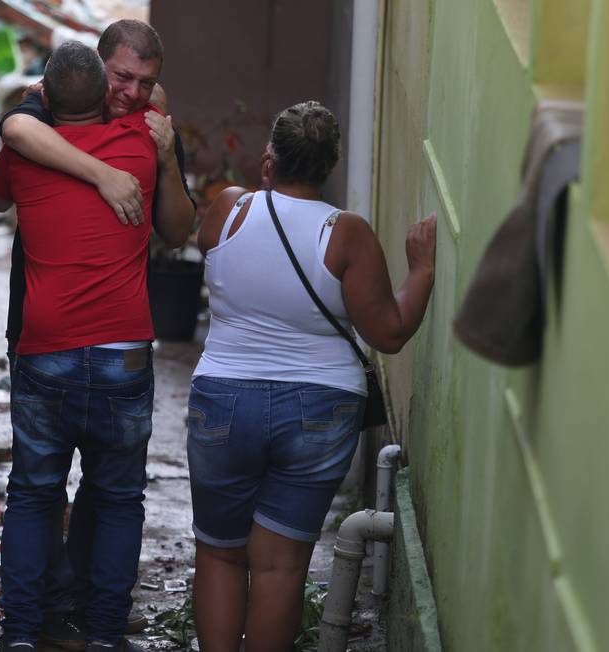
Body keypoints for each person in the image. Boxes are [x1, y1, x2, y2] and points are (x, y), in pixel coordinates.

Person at [186, 101, 437, 651]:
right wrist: (422, 270)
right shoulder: (346, 234)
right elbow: (389, 332)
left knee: (220, 552)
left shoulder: (227, 208)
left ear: (269, 159)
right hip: (320, 410)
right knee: (278, 568)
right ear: (330, 166)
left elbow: (210, 249)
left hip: (224, 400)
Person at [0, 19, 195, 651]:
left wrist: (162, 154)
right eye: (122, 77)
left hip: (48, 349)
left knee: (34, 494)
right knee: (116, 499)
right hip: (120, 357)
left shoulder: (137, 135)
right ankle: (103, 633)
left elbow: (7, 160)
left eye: (146, 83)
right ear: (99, 70)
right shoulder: (139, 140)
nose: (134, 94)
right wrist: (109, 173)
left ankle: (24, 634)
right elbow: (20, 122)